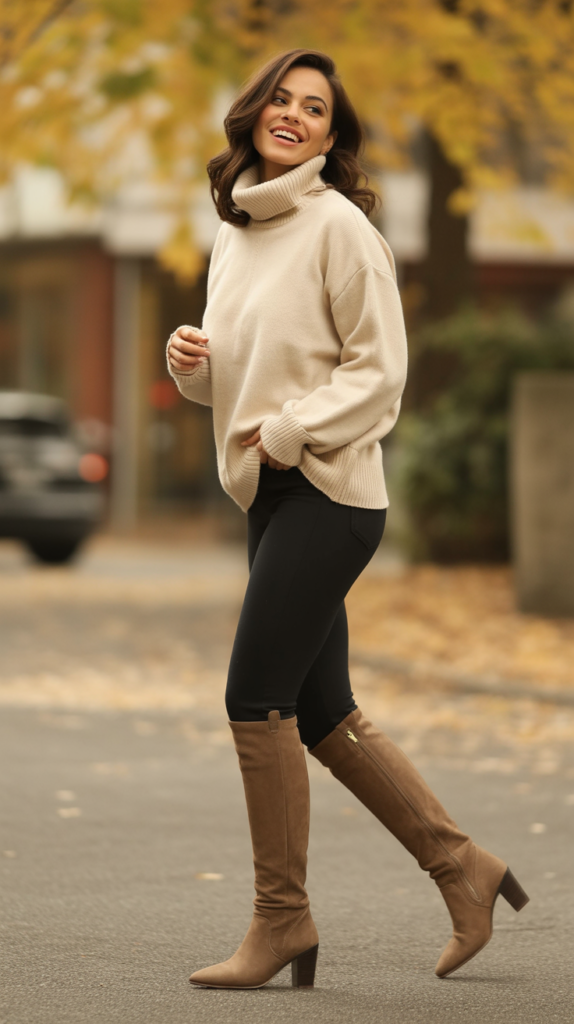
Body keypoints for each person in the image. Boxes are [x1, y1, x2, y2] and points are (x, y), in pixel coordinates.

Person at [167, 48, 528, 991]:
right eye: (280, 99)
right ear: (251, 114)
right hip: (271, 491)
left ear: (332, 136)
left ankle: (281, 920)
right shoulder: (236, 230)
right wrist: (194, 368)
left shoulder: (339, 229)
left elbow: (380, 374)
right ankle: (467, 871)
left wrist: (289, 428)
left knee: (256, 697)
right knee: (324, 714)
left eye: (314, 108)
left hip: (329, 496)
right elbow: (243, 381)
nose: (292, 115)